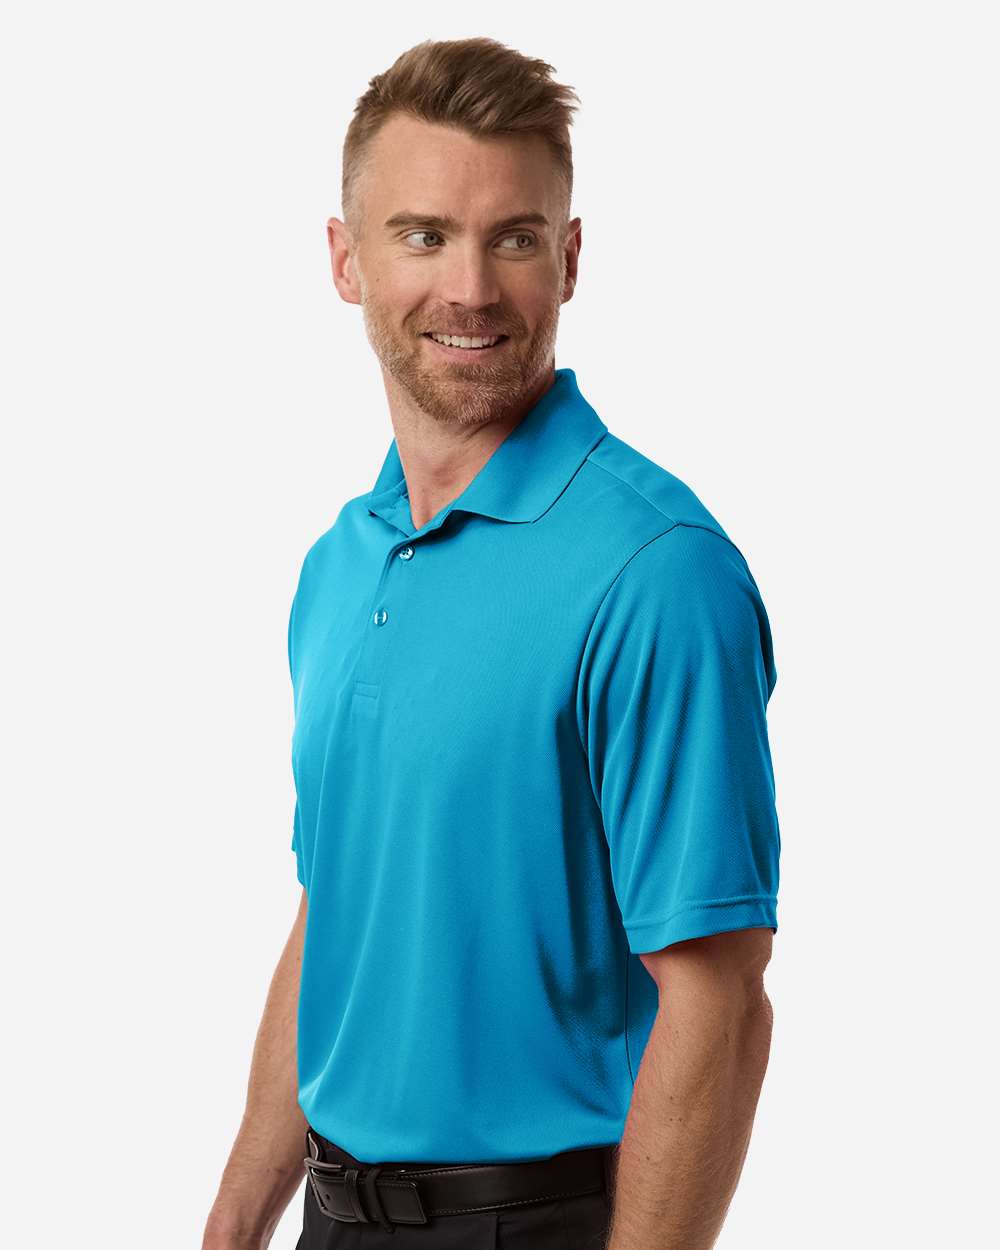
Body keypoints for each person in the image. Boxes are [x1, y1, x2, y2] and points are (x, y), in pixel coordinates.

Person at [203, 35, 781, 1250]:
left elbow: (718, 999)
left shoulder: (654, 569)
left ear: (567, 258)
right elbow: (338, 911)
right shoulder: (339, 562)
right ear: (345, 260)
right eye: (422, 235)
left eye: (512, 238)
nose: (468, 289)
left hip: (535, 1221)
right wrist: (233, 1221)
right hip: (333, 1215)